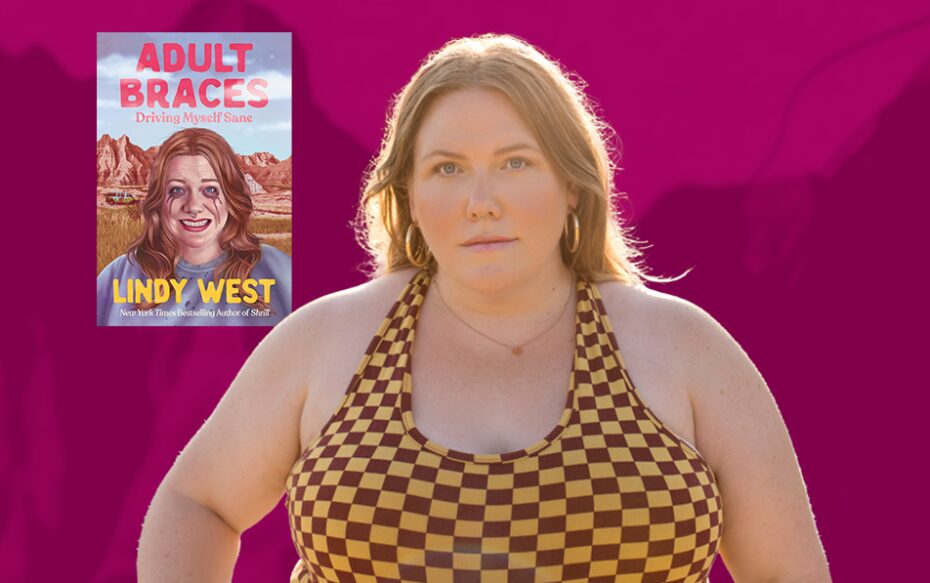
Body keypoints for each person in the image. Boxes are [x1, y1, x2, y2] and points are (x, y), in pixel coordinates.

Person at [137, 35, 831, 582]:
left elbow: (786, 572)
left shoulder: (686, 347)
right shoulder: (323, 340)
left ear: (572, 184)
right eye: (447, 168)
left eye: (515, 162)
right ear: (409, 195)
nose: (481, 201)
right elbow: (198, 504)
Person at [96, 127, 292, 326]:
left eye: (210, 190)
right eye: (177, 190)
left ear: (231, 198)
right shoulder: (118, 276)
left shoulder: (279, 271)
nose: (194, 206)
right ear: (159, 199)